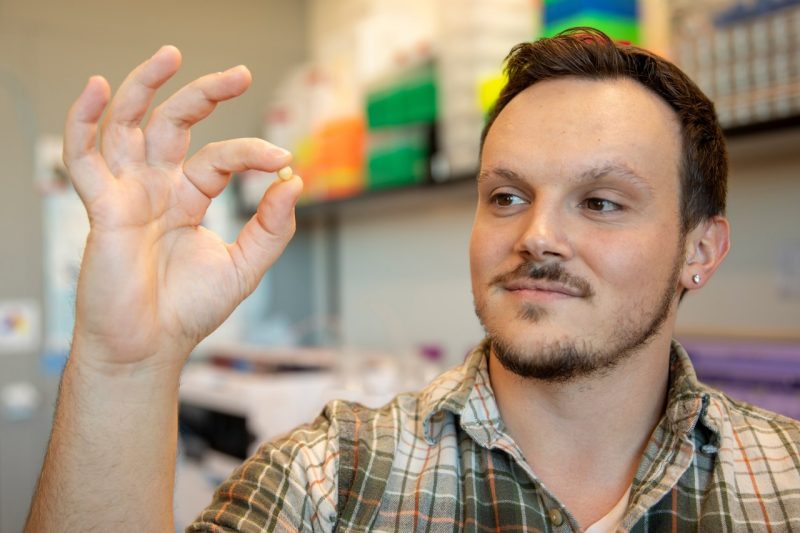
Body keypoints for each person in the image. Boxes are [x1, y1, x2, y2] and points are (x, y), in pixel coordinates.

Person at [26, 28, 799, 532]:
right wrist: (127, 361)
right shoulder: (335, 479)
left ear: (702, 249)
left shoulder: (785, 484)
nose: (537, 235)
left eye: (600, 202)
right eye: (506, 196)